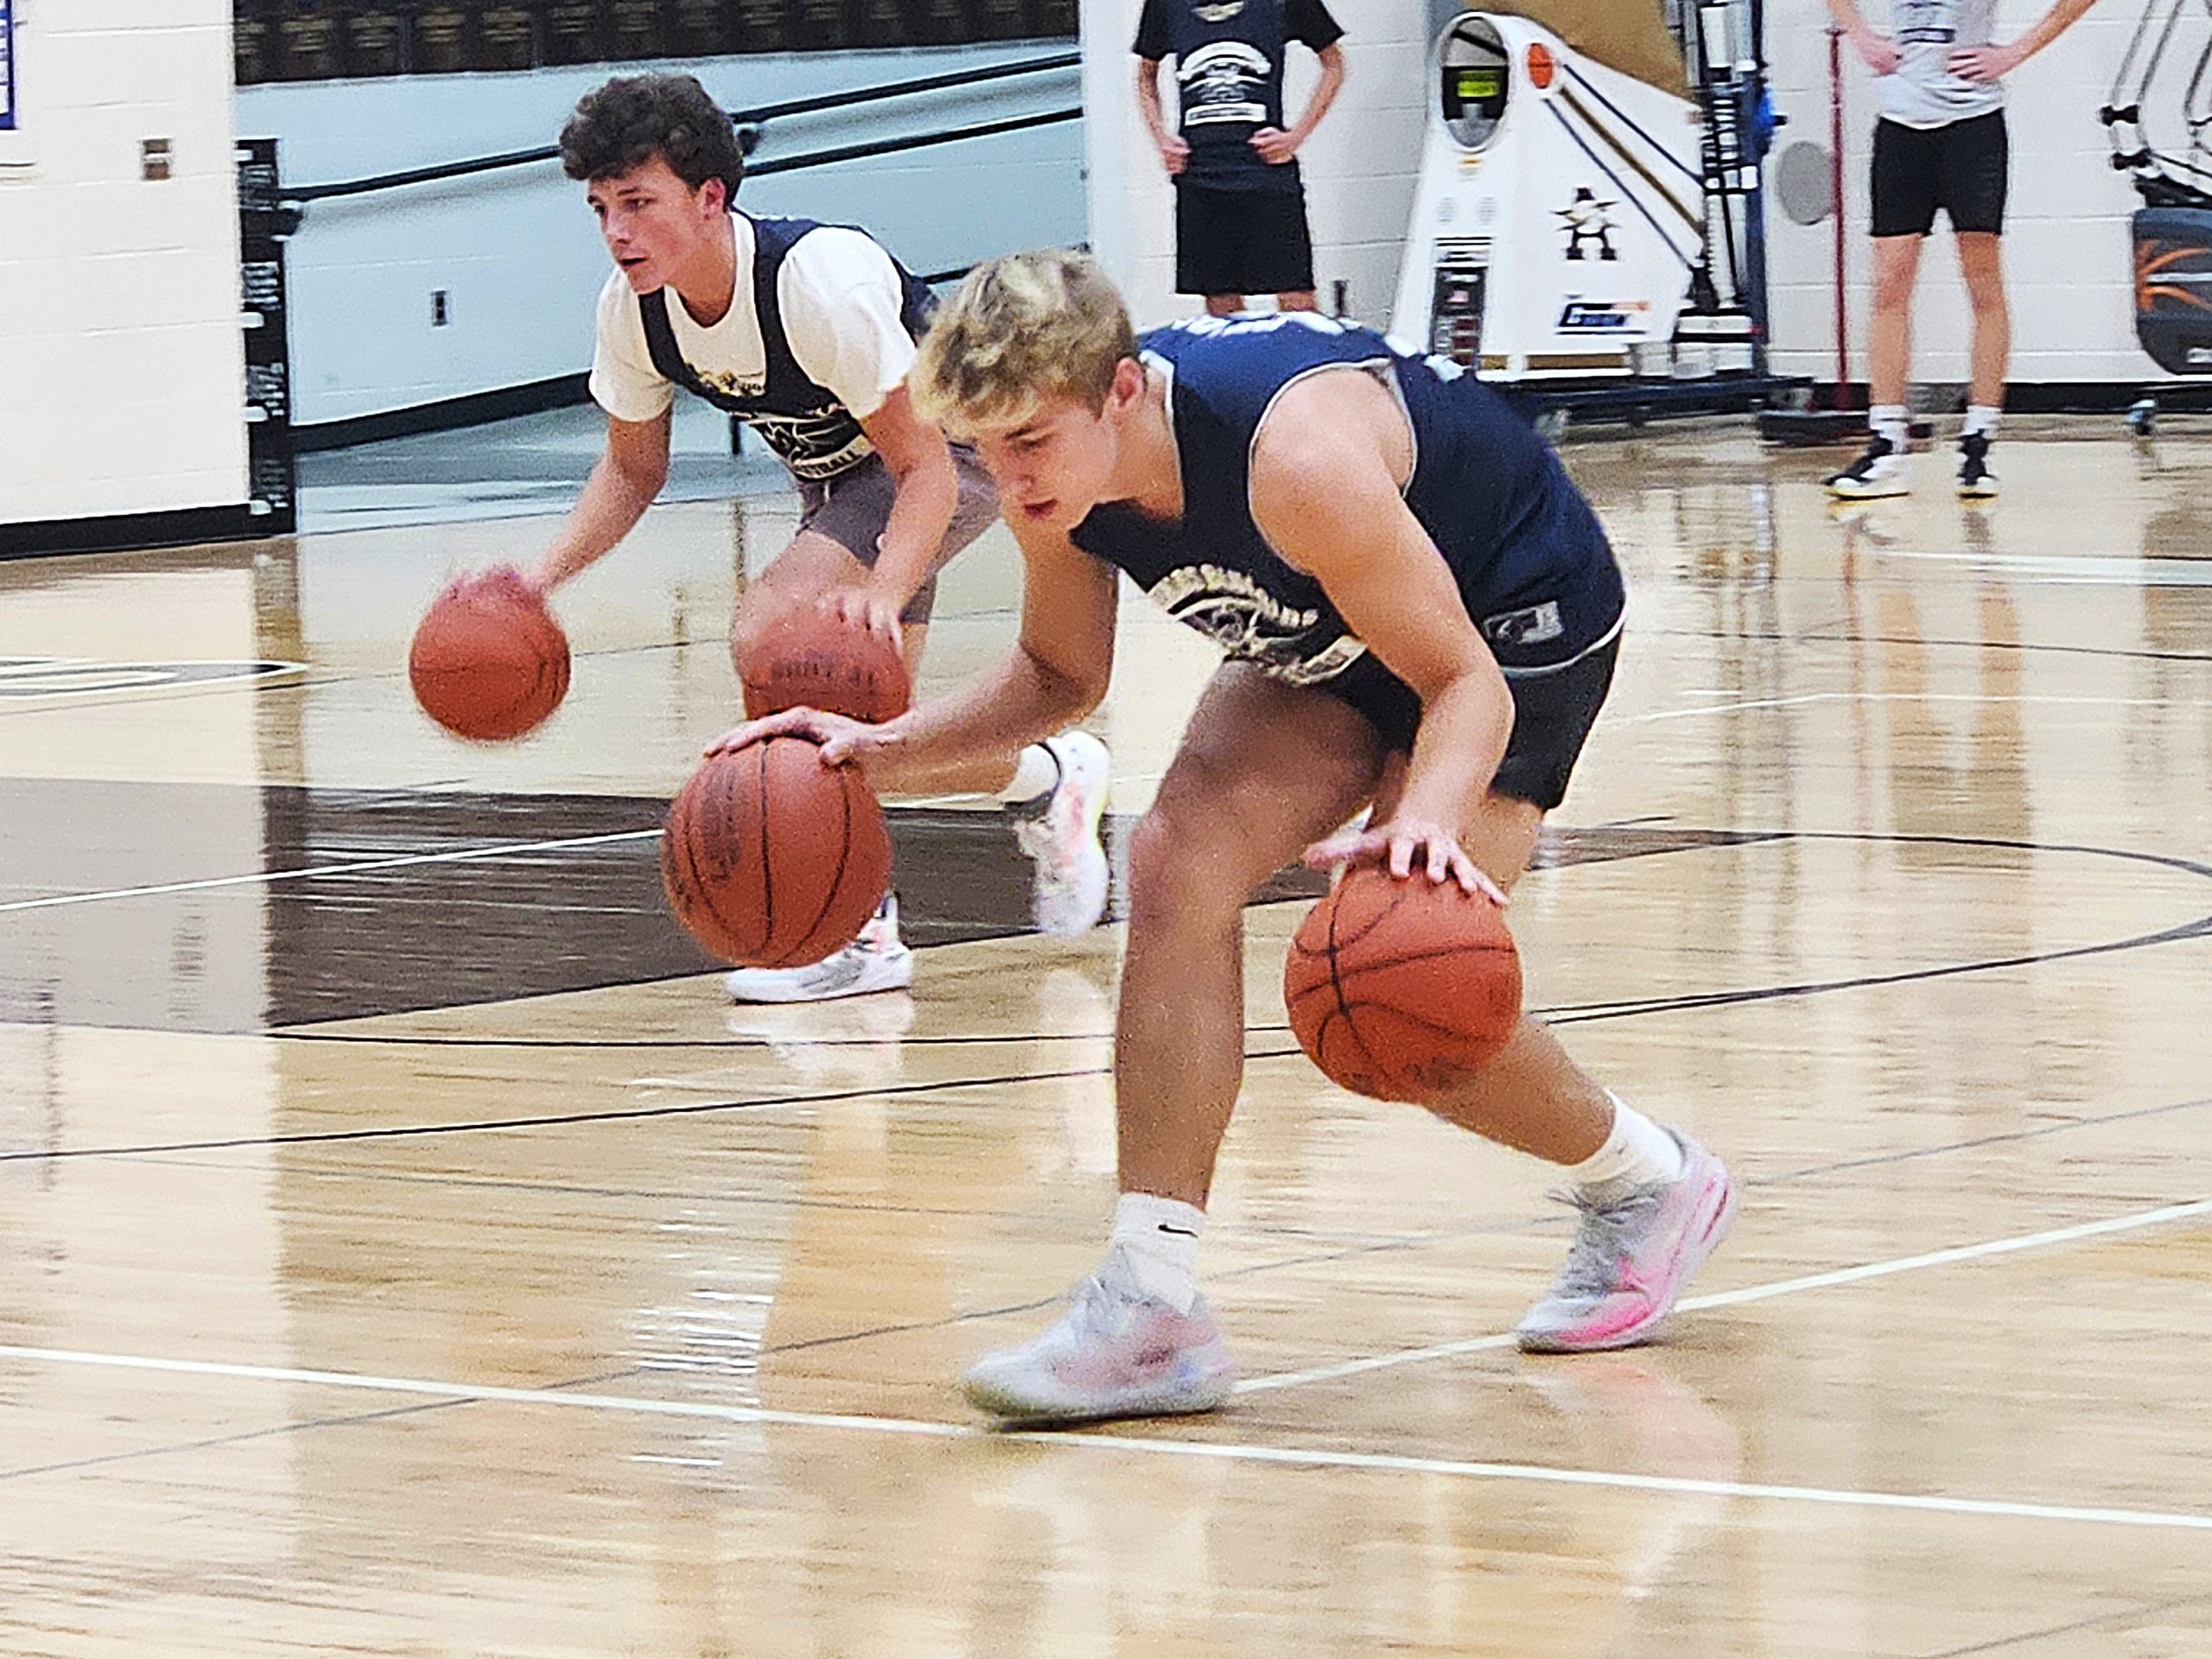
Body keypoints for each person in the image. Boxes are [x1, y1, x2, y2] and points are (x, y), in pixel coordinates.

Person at [714, 250, 1736, 1426]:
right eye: (986, 449)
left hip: (1509, 620)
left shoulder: (1294, 459)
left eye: (1030, 444)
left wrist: (1422, 831)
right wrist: (869, 750)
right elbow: (1058, 676)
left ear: (1123, 393)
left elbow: (1462, 681)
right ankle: (1150, 1309)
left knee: (1400, 982)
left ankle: (1648, 1183)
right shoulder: (1061, 482)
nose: (1009, 477)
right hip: (1338, 632)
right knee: (1172, 860)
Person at [508, 73, 1110, 1002]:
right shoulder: (633, 310)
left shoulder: (817, 284)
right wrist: (537, 580)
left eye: (638, 203)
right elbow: (633, 471)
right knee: (866, 737)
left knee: (780, 639)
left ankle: (859, 932)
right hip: (854, 485)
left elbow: (927, 471)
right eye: (600, 209)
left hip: (950, 455)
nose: (617, 232)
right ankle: (1045, 777)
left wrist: (876, 593)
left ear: (710, 197)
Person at [1824, 0, 2097, 501]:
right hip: (1901, 124)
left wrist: (2014, 52)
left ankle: (1978, 443)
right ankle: (1887, 442)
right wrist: (1860, 35)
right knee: (1889, 281)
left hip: (1973, 128)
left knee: (1982, 280)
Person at [1135, 0, 1346, 316]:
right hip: (1202, 176)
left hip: (1266, 174)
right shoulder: (1167, 5)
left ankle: (1306, 365)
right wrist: (1161, 138)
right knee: (1221, 307)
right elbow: (1146, 74)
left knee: (1297, 303)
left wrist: (1295, 136)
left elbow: (1333, 64)